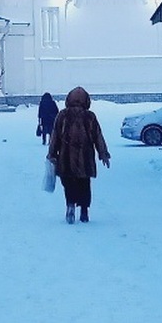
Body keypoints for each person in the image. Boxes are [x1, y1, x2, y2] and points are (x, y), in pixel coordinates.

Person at [46, 86, 110, 224]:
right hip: (85, 159)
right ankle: (84, 211)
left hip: (66, 158)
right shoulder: (90, 116)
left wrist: (51, 154)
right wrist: (103, 154)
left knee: (68, 183)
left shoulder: (62, 115)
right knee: (85, 184)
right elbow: (98, 136)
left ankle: (70, 205)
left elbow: (55, 136)